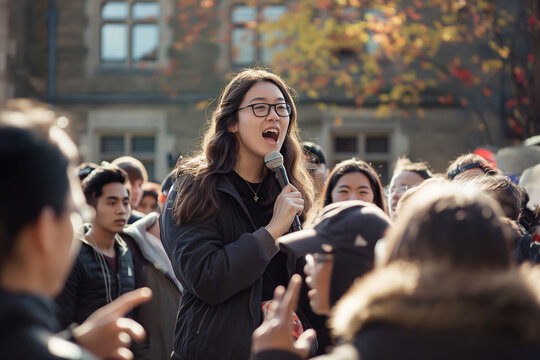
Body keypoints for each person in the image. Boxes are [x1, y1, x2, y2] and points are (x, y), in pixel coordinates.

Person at [253, 183, 540, 360]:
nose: (308, 267)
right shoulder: (527, 339)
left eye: (319, 254)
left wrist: (273, 355)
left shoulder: (380, 347)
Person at [160, 68, 315, 360]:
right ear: (231, 122)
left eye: (282, 108)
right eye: (260, 107)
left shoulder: (289, 188)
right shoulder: (193, 188)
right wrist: (271, 233)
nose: (274, 116)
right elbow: (206, 277)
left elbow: (304, 283)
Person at [0, 99, 151, 360]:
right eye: (76, 213)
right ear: (45, 230)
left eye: (125, 201)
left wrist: (75, 344)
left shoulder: (126, 251)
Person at [56, 165, 137, 329]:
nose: (121, 210)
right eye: (112, 203)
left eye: (125, 202)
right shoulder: (74, 254)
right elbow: (61, 321)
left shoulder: (126, 251)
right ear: (91, 206)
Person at [319, 158, 386, 213]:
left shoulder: (389, 229)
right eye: (344, 191)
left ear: (375, 198)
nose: (353, 200)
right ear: (330, 195)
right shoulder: (315, 229)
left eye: (363, 192)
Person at [112, 156, 148, 224]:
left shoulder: (144, 223)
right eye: (131, 184)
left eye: (140, 185)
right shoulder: (103, 220)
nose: (137, 191)